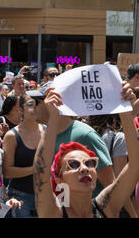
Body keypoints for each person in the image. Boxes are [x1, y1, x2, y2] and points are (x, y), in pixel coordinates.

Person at [33, 83, 139, 218]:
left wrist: (125, 112)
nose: (84, 168)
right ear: (59, 179)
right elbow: (40, 172)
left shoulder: (106, 206)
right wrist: (54, 116)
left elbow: (135, 164)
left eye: (90, 163)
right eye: (73, 164)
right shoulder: (54, 213)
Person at [27, 83, 115, 198]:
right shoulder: (47, 136)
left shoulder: (84, 135)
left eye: (36, 102)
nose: (32, 108)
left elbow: (111, 185)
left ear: (55, 103)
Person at [87, 114, 138, 218]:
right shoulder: (118, 137)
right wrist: (133, 214)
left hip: (90, 202)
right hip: (114, 206)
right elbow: (119, 181)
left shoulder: (88, 134)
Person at [2, 94, 44, 217]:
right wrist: (34, 169)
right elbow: (7, 171)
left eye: (38, 105)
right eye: (31, 105)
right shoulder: (11, 136)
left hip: (45, 195)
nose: (35, 108)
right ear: (21, 110)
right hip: (20, 197)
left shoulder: (48, 131)